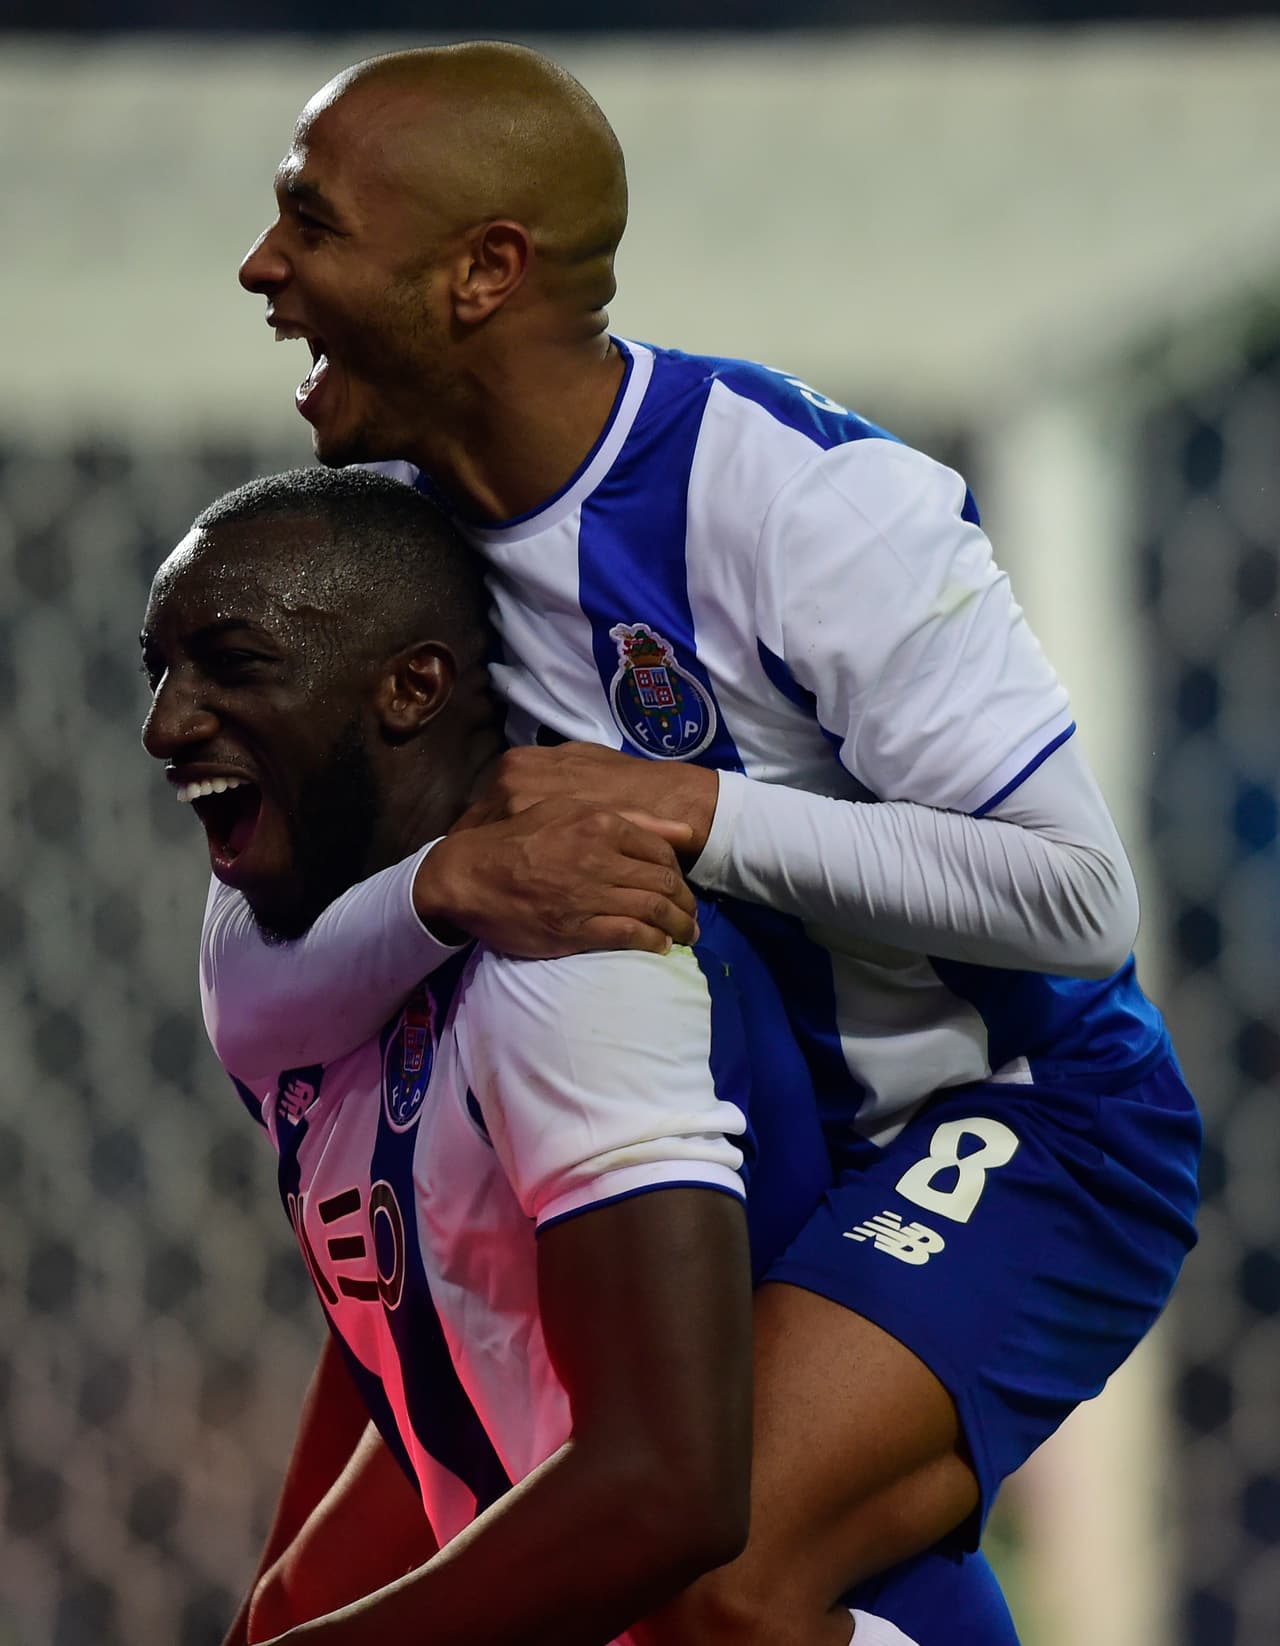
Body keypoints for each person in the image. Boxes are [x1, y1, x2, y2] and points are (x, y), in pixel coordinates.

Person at [226, 40, 1202, 1645]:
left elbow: (1080, 900)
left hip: (1010, 1115)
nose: (264, 269)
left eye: (311, 223)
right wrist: (440, 883)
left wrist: (694, 805)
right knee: (341, 1607)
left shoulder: (805, 505)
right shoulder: (394, 550)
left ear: (486, 272)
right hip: (686, 1128)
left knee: (712, 1581)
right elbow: (268, 954)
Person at [142, 465, 1021, 1646]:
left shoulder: (578, 958)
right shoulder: (303, 968)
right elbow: (414, 1327)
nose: (165, 724)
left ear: (412, 687)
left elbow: (664, 1488)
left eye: (232, 662)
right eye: (159, 669)